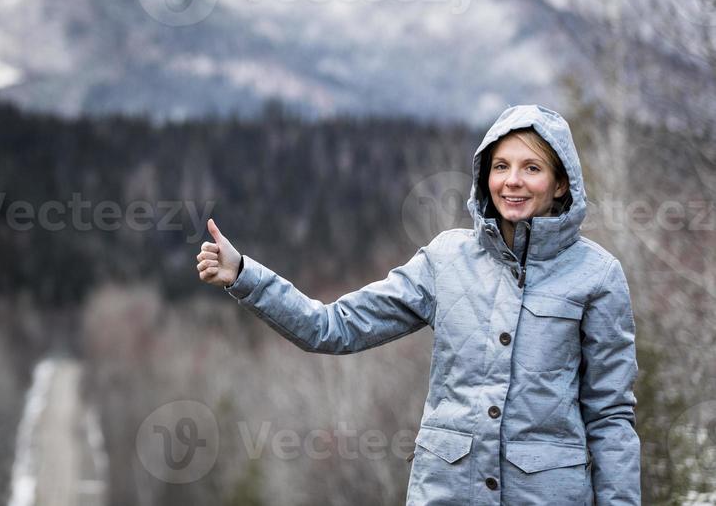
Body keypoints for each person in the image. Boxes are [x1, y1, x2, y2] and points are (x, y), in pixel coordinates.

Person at [197, 104, 639, 505]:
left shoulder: (597, 275)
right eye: (501, 166)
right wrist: (244, 276)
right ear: (485, 174)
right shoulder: (445, 259)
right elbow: (332, 327)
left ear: (561, 183)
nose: (513, 181)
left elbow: (610, 417)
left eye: (532, 168)